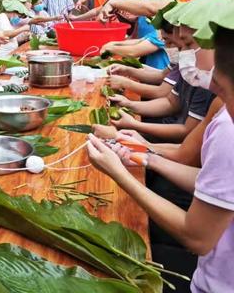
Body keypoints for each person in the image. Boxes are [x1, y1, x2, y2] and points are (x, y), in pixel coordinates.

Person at [87, 25, 234, 293]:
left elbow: (197, 237)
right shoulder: (223, 113)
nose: (212, 86)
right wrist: (145, 155)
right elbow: (213, 179)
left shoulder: (229, 131)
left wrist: (118, 173)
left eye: (222, 88)